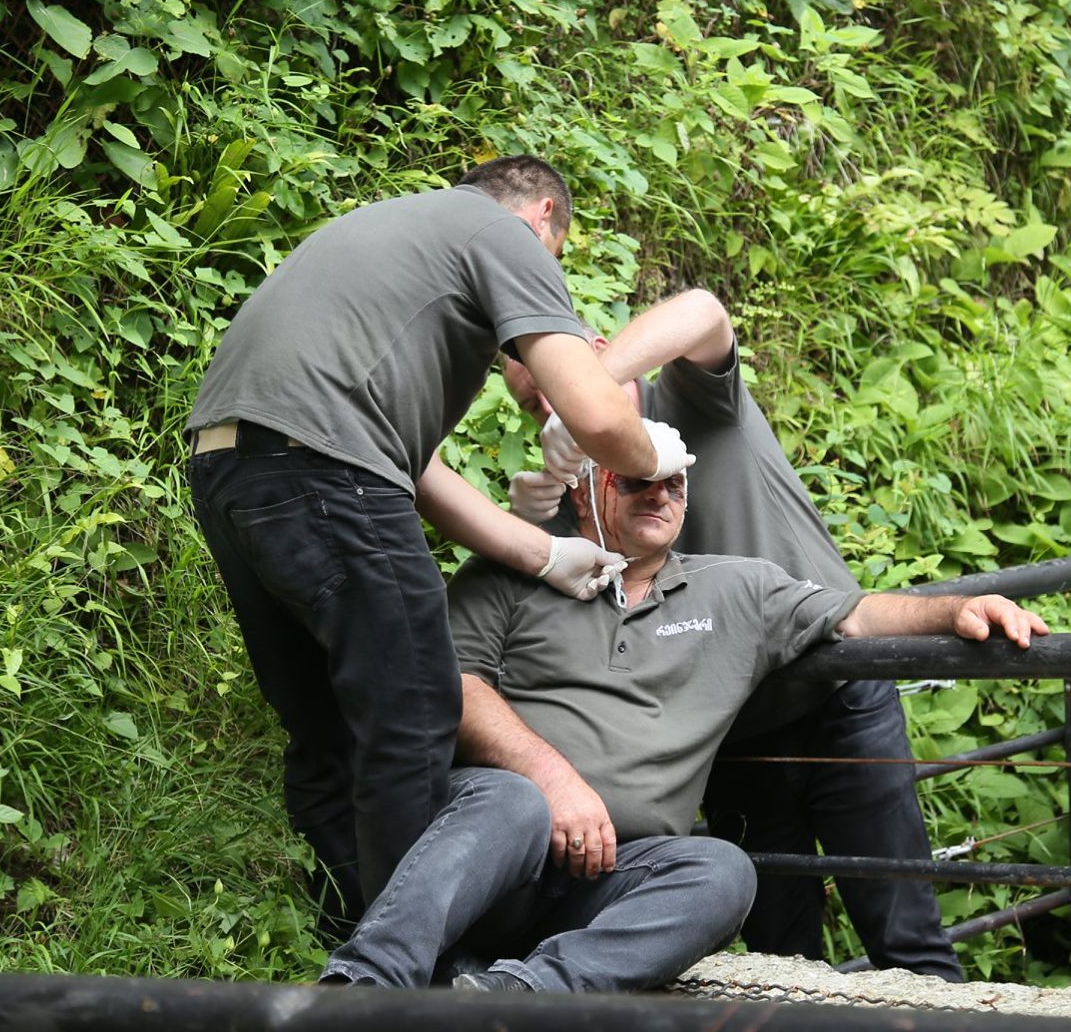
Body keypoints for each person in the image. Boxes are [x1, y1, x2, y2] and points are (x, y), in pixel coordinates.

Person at [185, 156, 691, 941]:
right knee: (416, 711)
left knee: (332, 731)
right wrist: (653, 454)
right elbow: (597, 414)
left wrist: (543, 552)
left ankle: (350, 949)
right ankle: (412, 970)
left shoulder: (393, 236)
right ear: (543, 216)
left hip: (229, 470)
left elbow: (412, 470)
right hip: (328, 471)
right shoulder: (504, 233)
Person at [321, 455, 1048, 991]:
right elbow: (457, 687)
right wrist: (554, 779)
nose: (660, 494)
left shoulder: (736, 587)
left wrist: (957, 609)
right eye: (637, 479)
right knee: (513, 798)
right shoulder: (513, 573)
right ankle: (366, 983)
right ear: (582, 488)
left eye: (674, 482)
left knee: (722, 869)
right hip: (497, 849)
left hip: (616, 876)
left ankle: (515, 997)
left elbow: (858, 613)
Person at [501, 290, 966, 978]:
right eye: (533, 405)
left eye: (552, 384)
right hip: (727, 735)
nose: (549, 409)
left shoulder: (687, 401)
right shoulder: (574, 486)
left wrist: (589, 394)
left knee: (907, 937)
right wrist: (531, 525)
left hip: (838, 692)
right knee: (781, 961)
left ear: (592, 356)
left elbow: (703, 312)